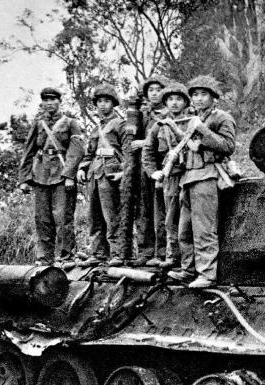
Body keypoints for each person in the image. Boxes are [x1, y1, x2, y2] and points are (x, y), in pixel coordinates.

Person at [168, 75, 236, 288]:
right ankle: (188, 270)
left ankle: (207, 274)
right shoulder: (192, 119)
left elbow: (228, 146)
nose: (198, 98)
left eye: (203, 94)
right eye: (195, 95)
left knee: (204, 229)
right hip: (188, 177)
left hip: (207, 176)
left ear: (214, 98)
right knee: (184, 230)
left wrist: (202, 129)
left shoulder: (221, 118)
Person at [18, 87, 85, 267]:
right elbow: (28, 151)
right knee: (42, 219)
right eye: (45, 100)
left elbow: (77, 150)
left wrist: (69, 175)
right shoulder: (38, 124)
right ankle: (44, 258)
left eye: (52, 99)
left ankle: (65, 256)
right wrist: (24, 179)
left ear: (59, 101)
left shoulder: (70, 123)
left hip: (62, 175)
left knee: (62, 218)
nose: (49, 103)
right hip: (40, 175)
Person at [77, 84, 130, 267]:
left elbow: (128, 152)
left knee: (112, 215)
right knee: (94, 216)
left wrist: (124, 172)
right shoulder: (96, 128)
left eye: (106, 101)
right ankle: (98, 253)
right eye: (99, 101)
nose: (102, 105)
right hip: (95, 173)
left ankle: (118, 253)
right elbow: (89, 153)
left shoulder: (121, 124)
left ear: (113, 103)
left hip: (111, 173)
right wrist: (82, 168)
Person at [142, 82, 191, 269]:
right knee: (170, 217)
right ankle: (172, 256)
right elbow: (148, 150)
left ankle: (189, 260)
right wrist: (153, 172)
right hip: (170, 176)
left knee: (189, 218)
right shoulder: (159, 125)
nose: (174, 103)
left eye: (178, 99)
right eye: (170, 99)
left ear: (185, 102)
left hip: (190, 174)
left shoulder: (193, 122)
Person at [130, 74, 170, 266]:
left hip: (164, 165)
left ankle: (162, 251)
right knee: (143, 208)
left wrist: (144, 142)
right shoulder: (144, 115)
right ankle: (145, 251)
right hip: (144, 166)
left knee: (161, 208)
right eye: (151, 90)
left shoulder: (170, 114)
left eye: (158, 90)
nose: (154, 94)